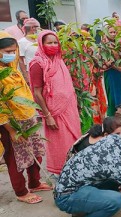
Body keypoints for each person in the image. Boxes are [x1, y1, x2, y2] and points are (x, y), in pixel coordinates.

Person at [0, 31, 52, 204]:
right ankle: (21, 192)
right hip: (12, 124)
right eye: (7, 51)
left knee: (35, 151)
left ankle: (35, 182)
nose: (12, 55)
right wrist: (12, 130)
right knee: (16, 159)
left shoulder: (11, 69)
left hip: (28, 119)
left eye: (14, 51)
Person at [29, 30, 82, 177]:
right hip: (54, 112)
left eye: (55, 42)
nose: (53, 45)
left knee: (73, 140)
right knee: (61, 143)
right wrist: (47, 115)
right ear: (41, 44)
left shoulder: (59, 61)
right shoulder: (37, 64)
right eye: (49, 43)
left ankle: (74, 170)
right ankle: (62, 173)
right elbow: (37, 93)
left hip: (69, 109)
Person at [100, 26, 121, 118]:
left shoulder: (118, 43)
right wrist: (117, 67)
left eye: (114, 32)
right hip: (111, 72)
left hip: (120, 71)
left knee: (120, 90)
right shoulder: (104, 45)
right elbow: (103, 60)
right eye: (110, 32)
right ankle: (111, 114)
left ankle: (119, 110)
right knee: (112, 92)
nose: (113, 34)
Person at [18, 18, 40, 83]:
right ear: (33, 28)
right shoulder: (22, 42)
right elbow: (20, 60)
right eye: (38, 27)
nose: (39, 30)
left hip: (41, 70)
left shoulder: (39, 41)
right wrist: (26, 76)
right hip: (30, 72)